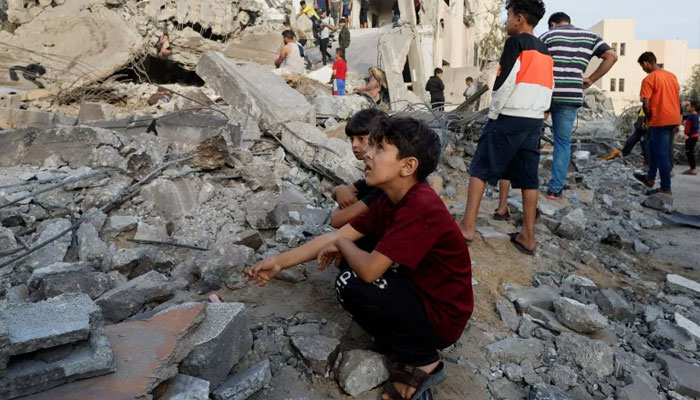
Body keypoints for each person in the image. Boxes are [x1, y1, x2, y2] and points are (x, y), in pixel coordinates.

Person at [245, 117, 473, 400]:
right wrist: (280, 262)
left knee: (352, 281)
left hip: (442, 318)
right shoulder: (389, 200)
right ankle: (404, 341)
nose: (367, 153)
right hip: (421, 296)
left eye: (379, 149)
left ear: (408, 166)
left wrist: (342, 243)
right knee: (352, 276)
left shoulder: (420, 205)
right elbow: (334, 235)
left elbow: (367, 269)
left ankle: (423, 359)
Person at [457, 0, 552, 255]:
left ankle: (467, 226)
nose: (506, 21)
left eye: (508, 15)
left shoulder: (515, 43)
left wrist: (494, 113)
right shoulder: (545, 50)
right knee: (529, 178)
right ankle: (528, 237)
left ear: (519, 18)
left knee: (480, 166)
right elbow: (547, 87)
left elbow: (505, 81)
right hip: (534, 120)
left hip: (509, 115)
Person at [534, 12, 618, 199]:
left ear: (553, 24)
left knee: (533, 138)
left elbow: (535, 62)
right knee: (562, 143)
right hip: (571, 95)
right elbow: (612, 56)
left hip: (546, 94)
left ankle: (528, 185)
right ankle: (555, 190)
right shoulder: (590, 37)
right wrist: (591, 79)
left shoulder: (548, 35)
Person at [633, 52, 682, 195]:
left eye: (642, 66)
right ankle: (650, 178)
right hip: (673, 118)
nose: (643, 69)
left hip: (660, 119)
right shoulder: (671, 76)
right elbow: (677, 98)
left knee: (662, 154)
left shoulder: (649, 79)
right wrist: (679, 119)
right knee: (652, 147)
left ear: (646, 63)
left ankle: (665, 188)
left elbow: (646, 105)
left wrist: (648, 119)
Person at [330, 108, 388, 230]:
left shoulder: (384, 185)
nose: (354, 145)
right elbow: (340, 192)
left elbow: (336, 220)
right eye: (352, 139)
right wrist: (340, 189)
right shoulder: (372, 174)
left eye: (361, 139)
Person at [682, 100, 699, 175]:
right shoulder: (691, 115)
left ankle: (693, 169)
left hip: (692, 137)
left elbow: (695, 128)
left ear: (693, 108)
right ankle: (692, 168)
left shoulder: (694, 117)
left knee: (690, 153)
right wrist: (684, 106)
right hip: (690, 137)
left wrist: (688, 136)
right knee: (688, 153)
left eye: (689, 106)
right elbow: (682, 116)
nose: (688, 107)